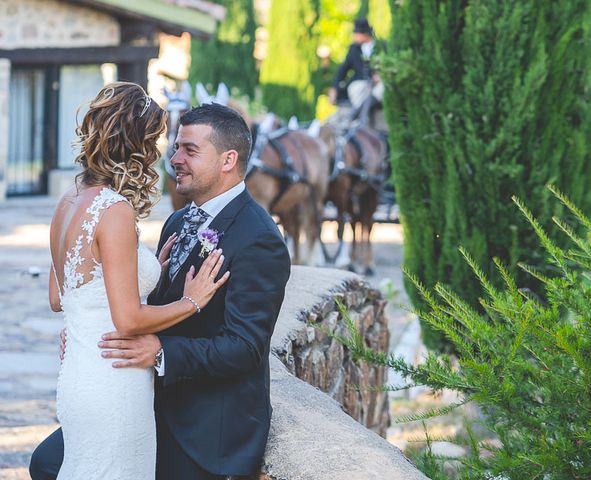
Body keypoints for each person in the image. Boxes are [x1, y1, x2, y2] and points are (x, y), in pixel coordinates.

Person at [30, 100, 291, 479]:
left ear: (227, 159)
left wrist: (159, 352)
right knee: (47, 462)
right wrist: (89, 327)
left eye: (189, 150)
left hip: (204, 423)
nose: (174, 158)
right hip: (145, 393)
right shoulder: (178, 220)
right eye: (174, 146)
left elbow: (246, 348)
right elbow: (125, 297)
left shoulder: (259, 239)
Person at [328, 17, 384, 120]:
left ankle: (357, 114)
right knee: (355, 88)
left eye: (356, 34)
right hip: (361, 83)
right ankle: (360, 117)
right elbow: (343, 70)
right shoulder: (354, 49)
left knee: (382, 89)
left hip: (378, 83)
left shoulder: (381, 46)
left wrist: (381, 75)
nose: (354, 36)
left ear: (364, 34)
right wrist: (334, 88)